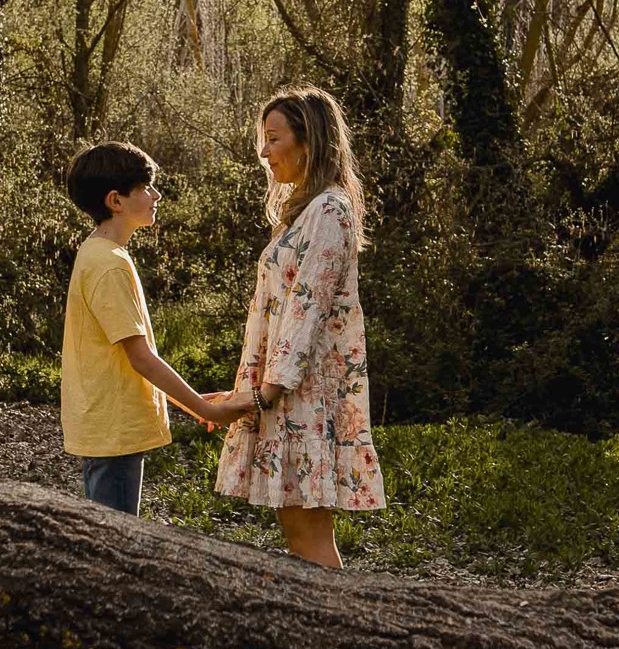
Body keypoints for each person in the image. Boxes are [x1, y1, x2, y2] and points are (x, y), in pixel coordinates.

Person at [215, 86, 385, 569]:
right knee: (298, 526)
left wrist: (261, 394)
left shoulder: (330, 209)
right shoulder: (302, 212)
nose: (264, 151)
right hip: (286, 391)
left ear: (307, 141)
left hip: (305, 396)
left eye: (273, 138)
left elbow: (307, 309)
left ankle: (339, 632)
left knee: (308, 529)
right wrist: (248, 392)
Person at [62, 140, 255, 515]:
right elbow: (142, 359)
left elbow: (127, 360)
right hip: (115, 432)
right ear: (115, 201)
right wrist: (205, 409)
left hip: (110, 428)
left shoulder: (100, 254)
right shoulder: (108, 263)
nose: (157, 195)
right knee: (115, 549)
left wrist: (193, 404)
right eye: (146, 187)